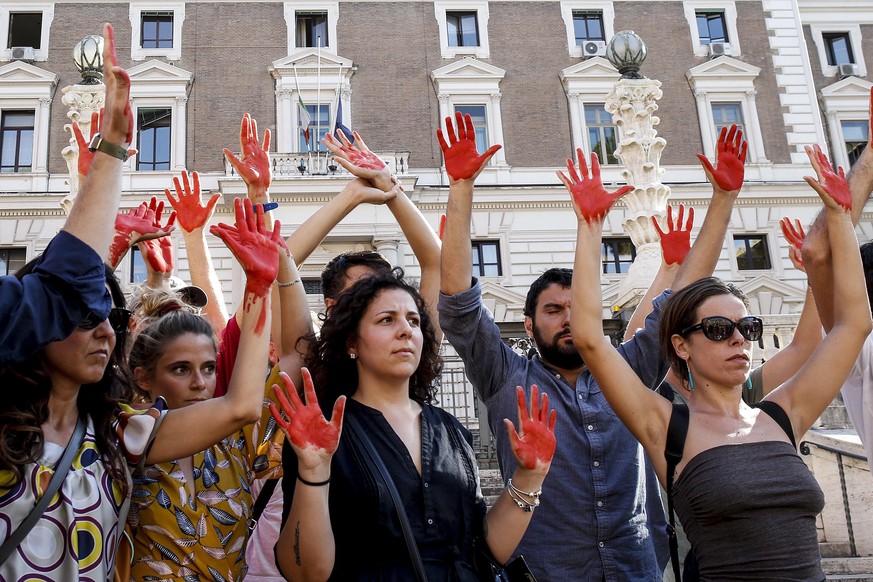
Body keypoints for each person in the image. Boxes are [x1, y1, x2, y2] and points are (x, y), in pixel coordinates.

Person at [439, 115, 749, 580]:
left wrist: (723, 199)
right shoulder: (503, 375)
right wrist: (461, 187)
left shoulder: (628, 371)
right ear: (528, 323)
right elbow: (460, 309)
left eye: (574, 307)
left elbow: (684, 300)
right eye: (552, 310)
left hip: (635, 568)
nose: (567, 319)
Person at [568, 138, 870, 581]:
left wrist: (842, 221)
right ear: (682, 345)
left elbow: (852, 326)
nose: (738, 340)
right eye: (717, 330)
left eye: (747, 328)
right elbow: (591, 339)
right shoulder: (663, 423)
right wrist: (591, 225)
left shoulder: (786, 413)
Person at [274, 270, 557, 580]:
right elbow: (303, 573)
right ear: (352, 341)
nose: (406, 331)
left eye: (414, 321)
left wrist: (530, 476)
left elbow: (484, 551)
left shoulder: (451, 431)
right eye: (387, 320)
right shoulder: (322, 435)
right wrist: (314, 471)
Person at [122, 197, 298, 581]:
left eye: (209, 367)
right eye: (180, 369)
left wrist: (273, 275)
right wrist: (257, 288)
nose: (201, 382)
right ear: (142, 378)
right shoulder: (121, 433)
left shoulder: (236, 441)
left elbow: (296, 354)